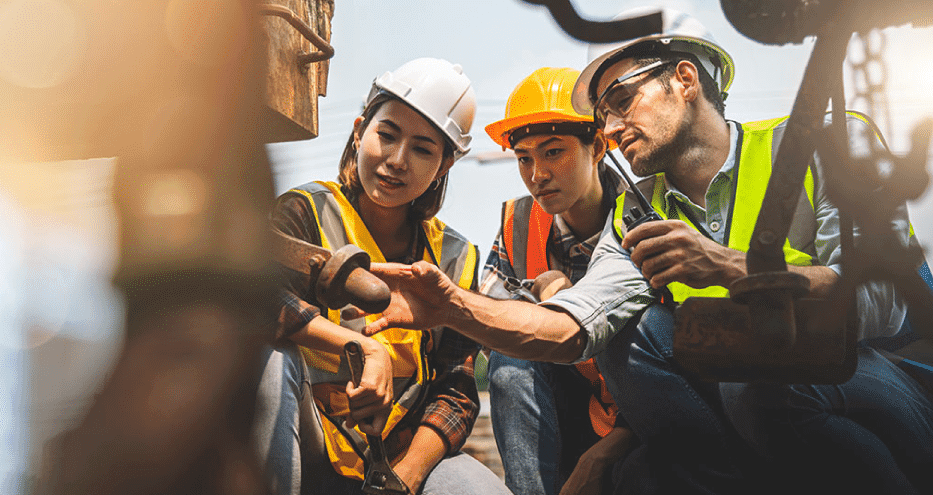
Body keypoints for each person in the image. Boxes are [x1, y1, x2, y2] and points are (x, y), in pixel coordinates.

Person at [354, 9, 933, 494]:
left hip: (886, 382)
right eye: (602, 114)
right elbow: (578, 326)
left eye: (622, 99)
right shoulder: (636, 212)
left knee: (753, 384)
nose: (610, 126)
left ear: (684, 79)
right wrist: (454, 307)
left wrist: (730, 266)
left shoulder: (823, 143)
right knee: (637, 339)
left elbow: (884, 305)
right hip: (748, 403)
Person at [257, 57, 509, 495]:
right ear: (359, 131)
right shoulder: (304, 212)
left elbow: (456, 391)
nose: (396, 160)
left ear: (445, 165)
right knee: (267, 358)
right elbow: (263, 302)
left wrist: (405, 479)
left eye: (423, 149)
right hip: (308, 441)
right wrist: (363, 346)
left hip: (396, 454)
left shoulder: (456, 257)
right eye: (386, 135)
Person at [476, 67, 636, 495]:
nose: (537, 174)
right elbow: (489, 311)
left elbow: (669, 359)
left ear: (598, 146)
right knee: (510, 358)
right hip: (557, 416)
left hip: (643, 422)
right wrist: (543, 290)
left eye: (552, 152)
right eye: (524, 158)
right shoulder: (518, 225)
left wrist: (602, 455)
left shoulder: (644, 219)